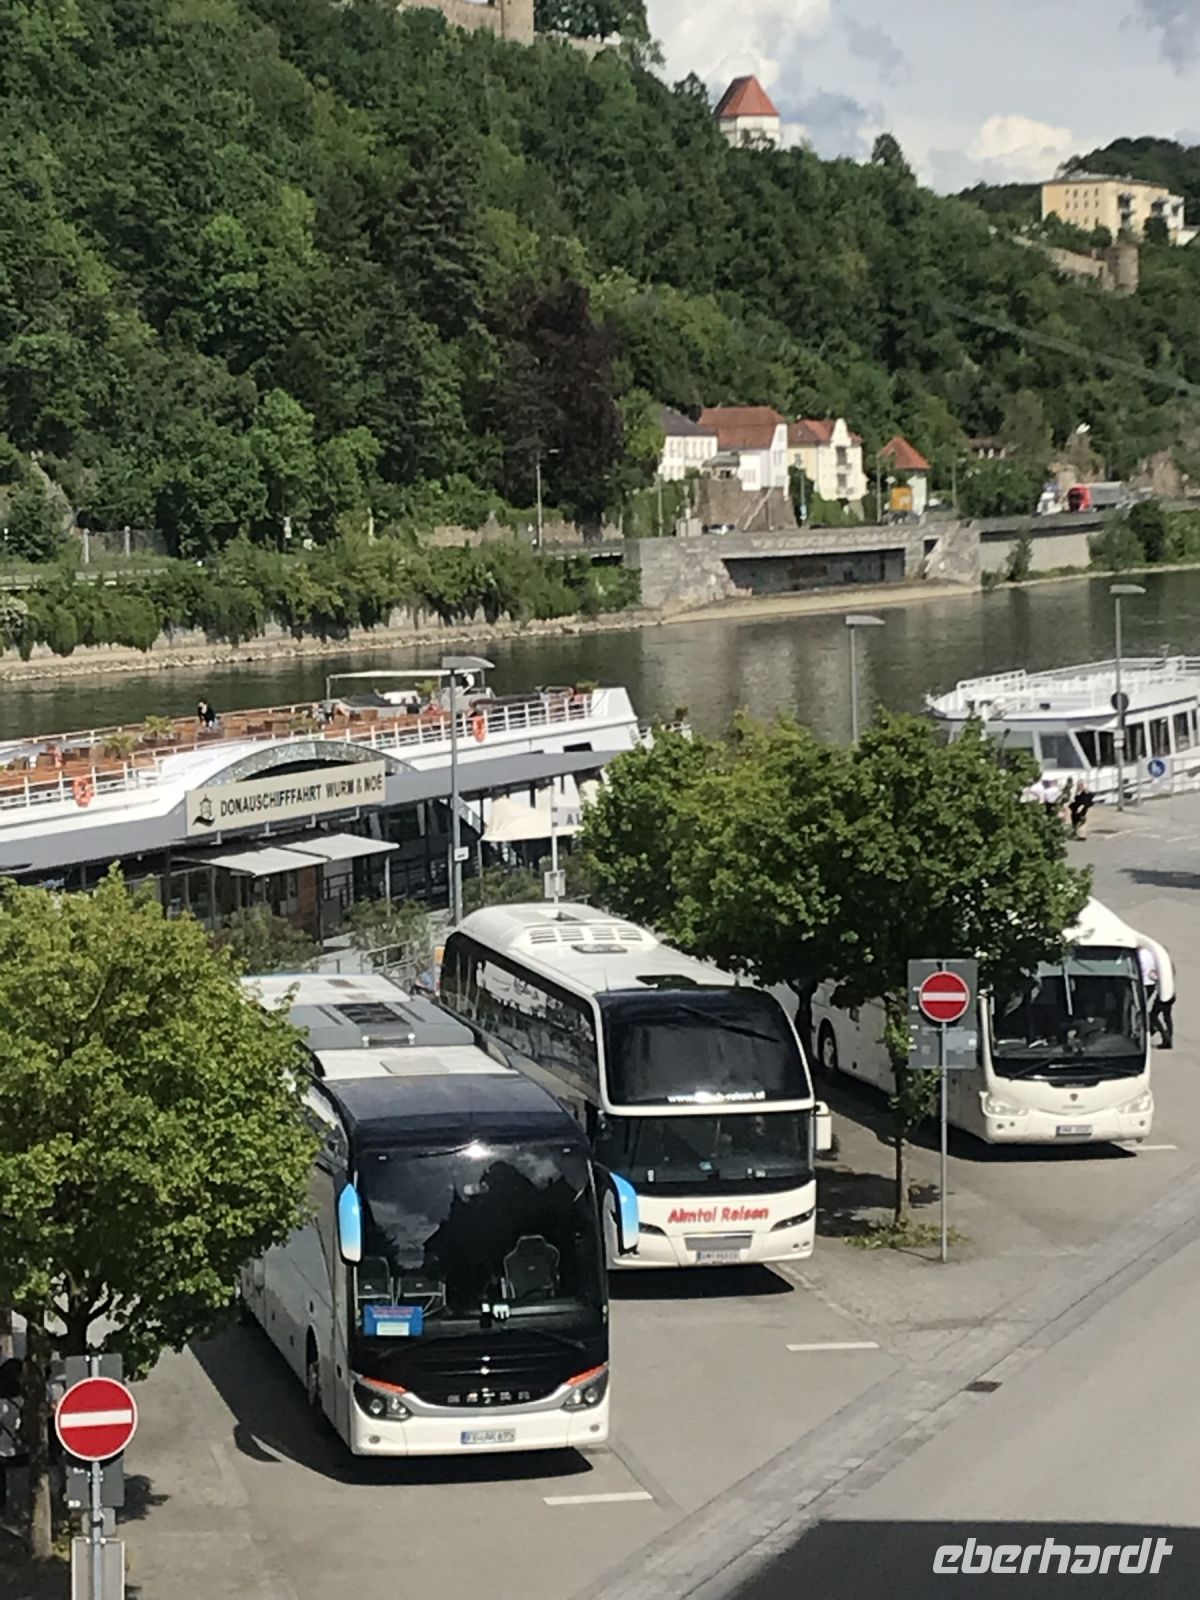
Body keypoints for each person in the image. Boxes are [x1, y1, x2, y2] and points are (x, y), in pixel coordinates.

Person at [1142, 936, 1176, 1050]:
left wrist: (1152, 975)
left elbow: (1157, 977)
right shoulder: (1170, 966)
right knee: (1167, 1016)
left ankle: (1164, 1036)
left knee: (1153, 1015)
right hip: (1171, 992)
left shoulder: (1162, 966)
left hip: (1163, 994)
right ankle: (1168, 1038)